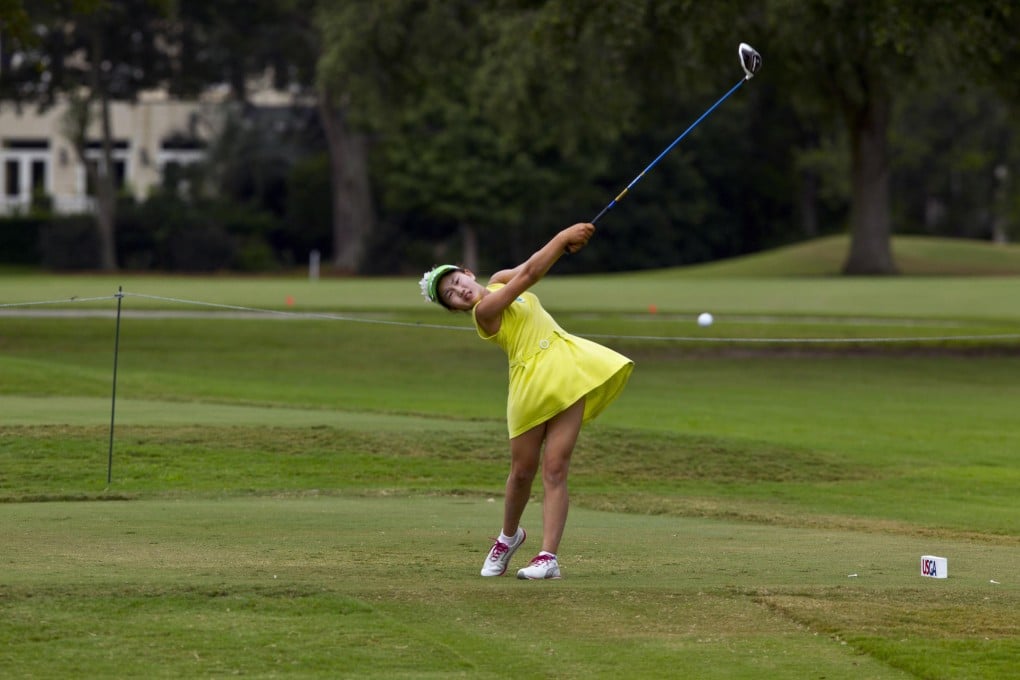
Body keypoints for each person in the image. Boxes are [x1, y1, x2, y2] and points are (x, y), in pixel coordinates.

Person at [418, 222, 633, 579]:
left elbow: (531, 264)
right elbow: (532, 273)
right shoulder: (484, 314)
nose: (460, 290)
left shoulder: (501, 277)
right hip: (529, 386)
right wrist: (563, 237)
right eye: (451, 295)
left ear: (468, 273)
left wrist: (564, 248)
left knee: (556, 468)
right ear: (455, 309)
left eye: (457, 281)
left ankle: (547, 557)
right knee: (521, 473)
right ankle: (508, 537)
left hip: (567, 370)